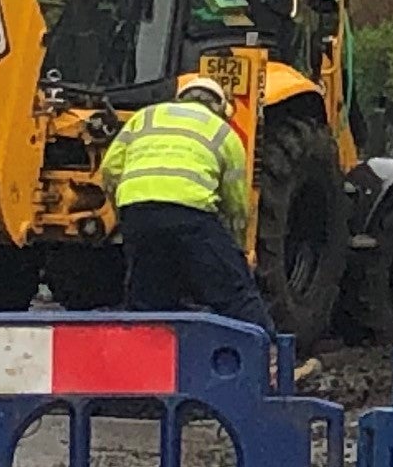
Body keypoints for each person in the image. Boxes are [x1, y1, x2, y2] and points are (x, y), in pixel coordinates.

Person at [101, 71, 271, 329]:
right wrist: (237, 249)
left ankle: (149, 362)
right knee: (234, 292)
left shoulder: (144, 117)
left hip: (137, 215)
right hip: (191, 215)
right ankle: (268, 356)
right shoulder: (223, 132)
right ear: (219, 108)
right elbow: (236, 203)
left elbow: (111, 169)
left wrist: (122, 214)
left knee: (149, 298)